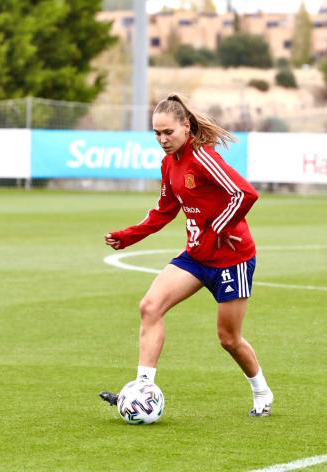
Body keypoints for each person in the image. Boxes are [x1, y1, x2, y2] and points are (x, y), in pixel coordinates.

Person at [99, 94, 273, 416]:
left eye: (168, 132)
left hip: (230, 261)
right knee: (150, 306)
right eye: (157, 134)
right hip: (195, 257)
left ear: (185, 126)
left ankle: (261, 392)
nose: (163, 140)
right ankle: (144, 387)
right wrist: (129, 236)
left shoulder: (203, 158)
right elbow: (164, 212)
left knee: (228, 339)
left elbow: (245, 194)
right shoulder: (169, 164)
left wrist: (219, 228)